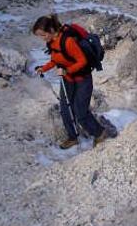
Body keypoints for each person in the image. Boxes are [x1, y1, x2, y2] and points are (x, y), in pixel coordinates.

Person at [32, 14, 107, 149]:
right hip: (67, 80)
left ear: (51, 30)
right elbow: (56, 59)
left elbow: (82, 61)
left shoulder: (68, 41)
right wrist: (43, 68)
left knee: (80, 111)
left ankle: (100, 134)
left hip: (82, 79)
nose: (42, 39)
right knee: (65, 109)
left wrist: (67, 71)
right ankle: (73, 137)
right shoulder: (52, 42)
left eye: (43, 35)